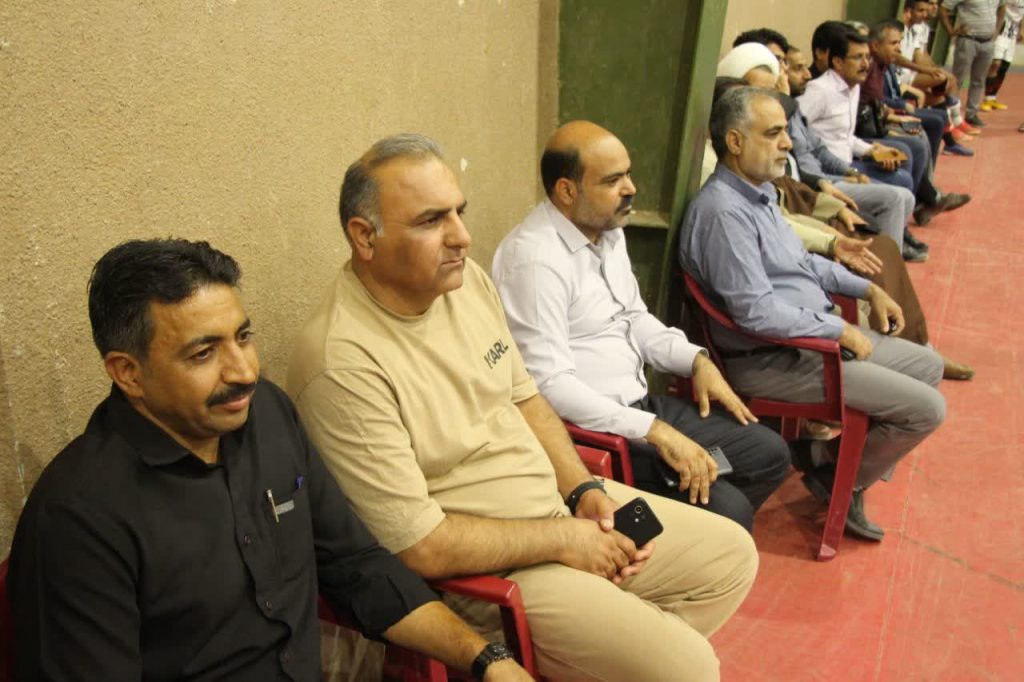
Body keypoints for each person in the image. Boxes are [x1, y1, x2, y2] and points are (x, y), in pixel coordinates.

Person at [289, 134, 758, 682]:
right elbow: (422, 548)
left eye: (459, 212)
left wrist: (583, 492)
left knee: (730, 555)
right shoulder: (342, 364)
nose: (461, 237)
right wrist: (566, 542)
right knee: (691, 670)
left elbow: (526, 397)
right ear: (364, 236)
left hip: (560, 514)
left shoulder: (464, 284)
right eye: (431, 221)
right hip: (495, 573)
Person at [6, 239, 531, 681]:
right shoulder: (78, 518)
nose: (244, 371)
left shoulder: (267, 416)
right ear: (128, 373)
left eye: (243, 337)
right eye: (203, 353)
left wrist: (488, 659)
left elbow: (356, 566)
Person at [491, 120, 790, 532]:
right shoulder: (534, 260)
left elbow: (634, 317)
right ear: (567, 191)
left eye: (628, 174)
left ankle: (680, 531)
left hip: (639, 407)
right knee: (729, 511)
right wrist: (653, 431)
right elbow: (549, 386)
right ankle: (662, 539)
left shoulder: (607, 232)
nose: (630, 188)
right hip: (591, 432)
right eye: (613, 180)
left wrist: (696, 361)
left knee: (768, 453)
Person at [680, 87, 947, 542]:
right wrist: (838, 328)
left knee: (929, 366)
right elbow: (755, 312)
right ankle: (839, 474)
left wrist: (867, 289)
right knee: (927, 409)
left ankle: (830, 463)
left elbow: (802, 263)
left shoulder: (759, 194)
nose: (787, 143)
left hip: (810, 339)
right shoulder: (724, 214)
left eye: (786, 131)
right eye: (774, 133)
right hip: (776, 357)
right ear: (735, 142)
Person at [798, 25, 969, 226]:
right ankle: (904, 226)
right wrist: (843, 173)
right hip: (830, 169)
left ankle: (915, 213)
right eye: (858, 57)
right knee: (901, 182)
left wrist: (871, 150)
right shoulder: (820, 91)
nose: (865, 64)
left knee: (903, 159)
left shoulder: (852, 87)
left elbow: (844, 137)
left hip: (847, 161)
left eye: (867, 57)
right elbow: (798, 133)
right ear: (837, 62)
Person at [939, 0, 1007, 127]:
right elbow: (943, 8)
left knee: (979, 80)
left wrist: (997, 30)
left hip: (988, 42)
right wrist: (950, 31)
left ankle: (971, 114)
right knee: (957, 79)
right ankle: (951, 114)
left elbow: (1002, 8)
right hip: (968, 39)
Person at [982, 0, 1024, 109]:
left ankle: (992, 97)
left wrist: (1021, 30)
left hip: (1012, 34)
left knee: (1004, 67)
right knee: (995, 63)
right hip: (1001, 32)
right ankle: (986, 98)